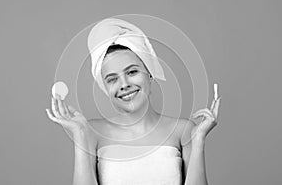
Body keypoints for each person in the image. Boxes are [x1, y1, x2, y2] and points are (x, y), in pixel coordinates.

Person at [45, 18, 221, 185]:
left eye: (132, 72)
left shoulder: (183, 131)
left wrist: (198, 141)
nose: (124, 85)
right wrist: (80, 135)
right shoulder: (91, 132)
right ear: (105, 88)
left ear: (150, 73)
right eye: (112, 79)